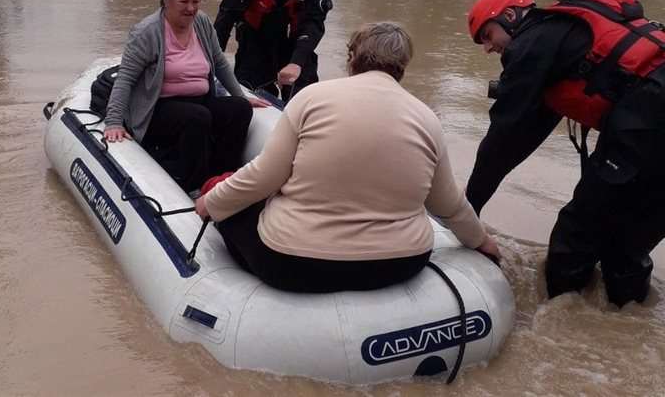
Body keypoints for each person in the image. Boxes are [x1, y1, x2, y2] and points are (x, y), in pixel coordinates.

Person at [195, 21, 502, 293]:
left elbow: (263, 179)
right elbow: (448, 205)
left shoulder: (311, 99)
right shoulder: (426, 119)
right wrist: (481, 241)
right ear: (401, 67)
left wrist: (211, 202)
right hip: (400, 263)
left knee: (234, 211)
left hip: (293, 262)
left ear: (352, 59)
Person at [466, 0, 665, 307]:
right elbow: (526, 135)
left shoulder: (529, 45)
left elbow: (502, 135)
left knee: (576, 233)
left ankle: (560, 318)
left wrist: (468, 208)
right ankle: (622, 328)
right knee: (626, 246)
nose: (488, 48)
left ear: (509, 15)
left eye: (487, 35)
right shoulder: (559, 37)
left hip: (647, 121)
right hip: (650, 123)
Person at [104, 0, 268, 195]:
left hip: (199, 99)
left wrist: (240, 96)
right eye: (184, 2)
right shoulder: (147, 32)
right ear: (166, 1)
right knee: (197, 118)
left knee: (238, 110)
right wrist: (114, 121)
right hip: (159, 107)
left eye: (195, 1)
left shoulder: (200, 22)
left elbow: (219, 62)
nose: (191, 8)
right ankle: (194, 187)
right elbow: (126, 78)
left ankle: (222, 177)